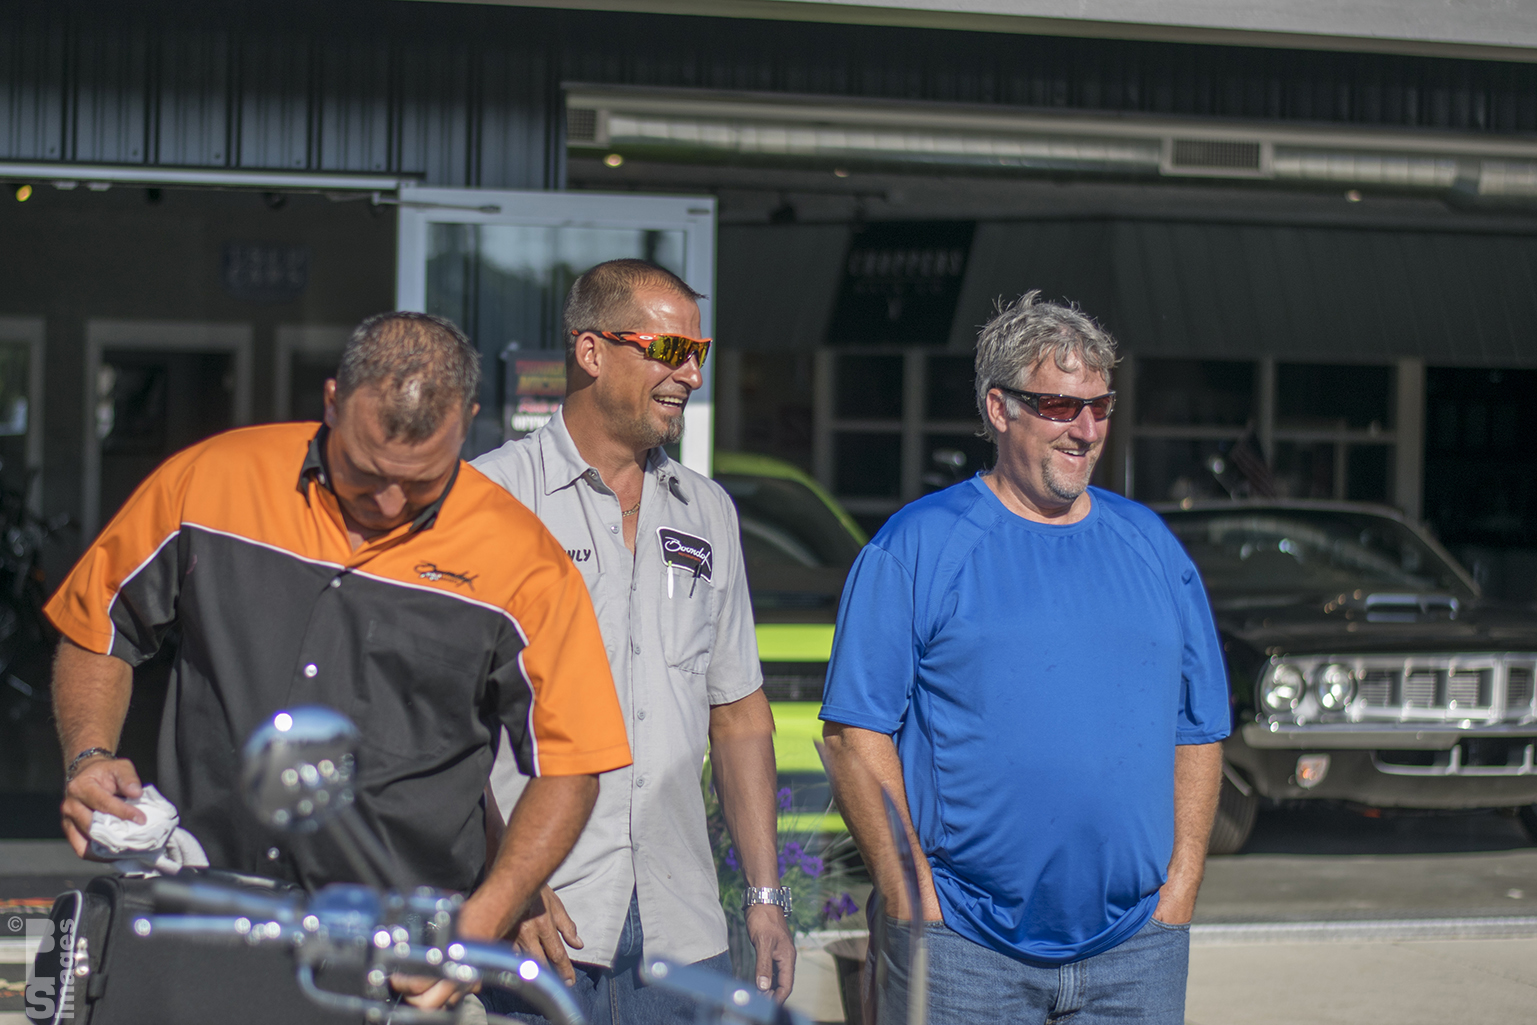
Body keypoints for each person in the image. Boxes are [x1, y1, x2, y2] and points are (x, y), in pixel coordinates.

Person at [49, 311, 632, 1012]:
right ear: (332, 401)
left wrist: (482, 922)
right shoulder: (209, 480)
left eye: (421, 483)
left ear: (467, 424)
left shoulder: (523, 562)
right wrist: (89, 755)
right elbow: (98, 624)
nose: (387, 503)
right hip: (201, 921)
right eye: (365, 472)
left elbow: (572, 765)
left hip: (398, 960)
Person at [819, 291, 1229, 1025]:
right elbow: (854, 734)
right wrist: (911, 894)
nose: (1086, 429)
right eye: (1060, 406)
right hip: (962, 949)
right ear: (998, 408)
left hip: (1137, 947)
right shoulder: (917, 545)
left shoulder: (1151, 546)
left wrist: (1182, 885)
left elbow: (1197, 728)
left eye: (1100, 407)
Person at [472, 259, 795, 1023]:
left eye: (698, 353)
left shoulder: (706, 510)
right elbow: (450, 719)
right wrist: (507, 880)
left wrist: (765, 895)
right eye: (670, 351)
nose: (690, 376)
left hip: (681, 927)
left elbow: (738, 714)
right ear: (590, 351)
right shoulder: (493, 497)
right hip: (540, 921)